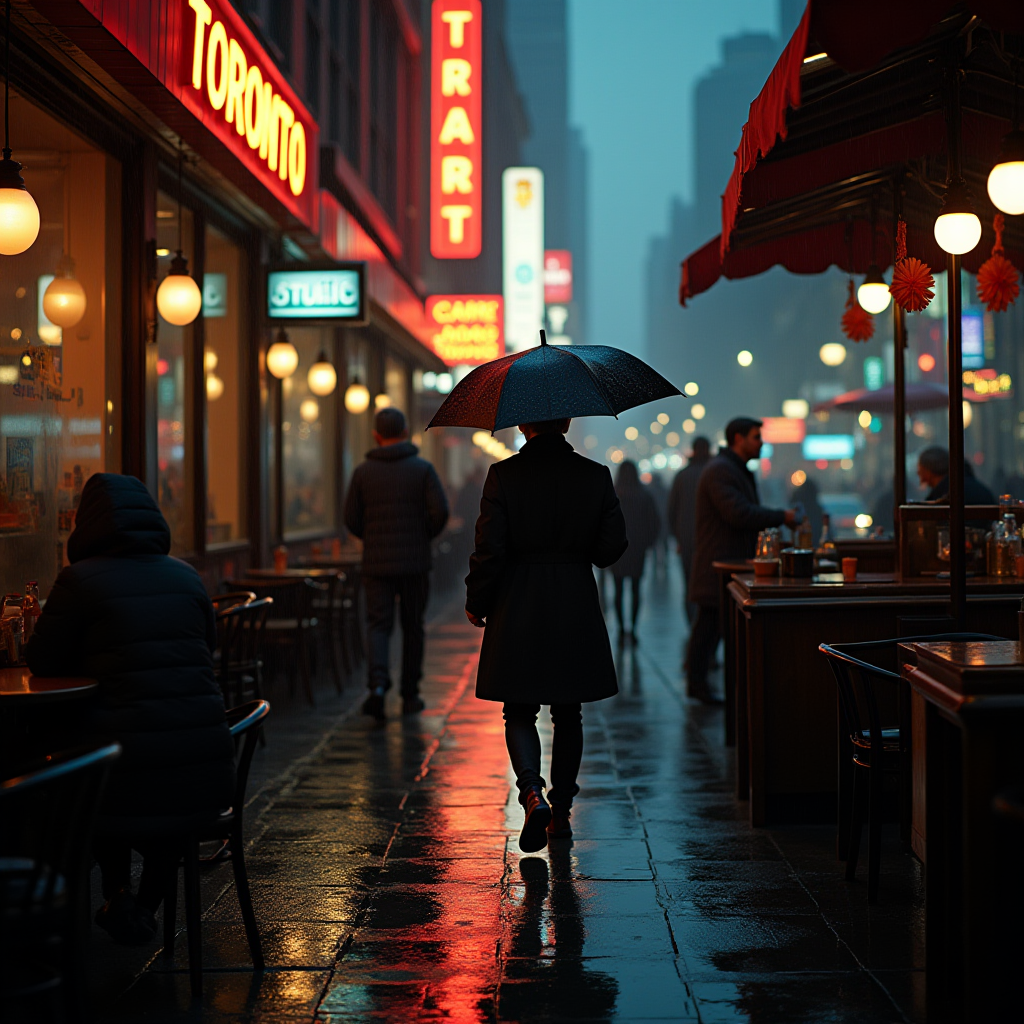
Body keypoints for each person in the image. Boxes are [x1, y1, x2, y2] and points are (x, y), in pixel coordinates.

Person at [25, 474, 235, 945]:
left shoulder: (80, 580)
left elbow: (42, 660)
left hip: (123, 772)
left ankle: (116, 895)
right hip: (206, 771)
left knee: (88, 775)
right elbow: (209, 648)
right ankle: (140, 906)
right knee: (150, 792)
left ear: (87, 523)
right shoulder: (186, 575)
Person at [465, 418, 627, 852]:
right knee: (568, 711)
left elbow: (489, 547)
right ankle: (562, 814)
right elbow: (611, 547)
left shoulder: (504, 475)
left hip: (518, 600)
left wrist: (477, 600)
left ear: (522, 424)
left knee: (518, 707)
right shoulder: (595, 475)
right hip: (573, 600)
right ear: (567, 423)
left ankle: (531, 792)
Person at [345, 407, 449, 720]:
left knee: (378, 624)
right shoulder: (423, 469)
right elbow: (440, 512)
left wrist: (372, 537)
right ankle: (410, 693)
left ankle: (377, 685)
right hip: (415, 563)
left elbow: (350, 519)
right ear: (405, 432)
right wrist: (422, 536)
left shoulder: (363, 472)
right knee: (413, 626)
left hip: (376, 564)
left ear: (377, 435)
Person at [688, 418, 796, 704]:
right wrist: (781, 517)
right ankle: (699, 683)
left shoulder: (730, 469)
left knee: (709, 628)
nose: (761, 442)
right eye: (755, 437)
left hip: (726, 563)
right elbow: (739, 513)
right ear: (738, 438)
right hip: (720, 564)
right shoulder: (721, 471)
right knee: (709, 628)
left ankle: (698, 683)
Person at [609, 460, 660, 643]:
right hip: (637, 549)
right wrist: (647, 543)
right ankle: (634, 629)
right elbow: (655, 522)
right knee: (636, 589)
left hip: (616, 550)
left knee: (618, 590)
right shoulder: (644, 495)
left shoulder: (613, 494)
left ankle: (622, 629)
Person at [667, 436, 711, 627]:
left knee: (689, 585)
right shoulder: (713, 473)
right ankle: (706, 629)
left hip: (687, 540)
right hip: (710, 542)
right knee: (710, 587)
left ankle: (692, 626)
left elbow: (671, 510)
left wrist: (677, 537)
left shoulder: (682, 476)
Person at [917, 446, 996, 504]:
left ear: (928, 471)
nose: (918, 473)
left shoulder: (948, 496)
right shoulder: (977, 489)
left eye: (920, 469)